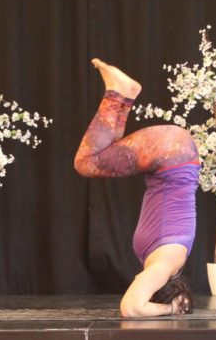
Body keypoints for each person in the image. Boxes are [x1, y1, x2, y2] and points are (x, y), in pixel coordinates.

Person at [75, 59, 200, 317]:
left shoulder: (164, 259)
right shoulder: (164, 266)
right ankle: (119, 92)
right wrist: (170, 309)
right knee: (86, 162)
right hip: (171, 156)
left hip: (175, 156)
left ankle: (123, 94)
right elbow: (131, 308)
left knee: (102, 152)